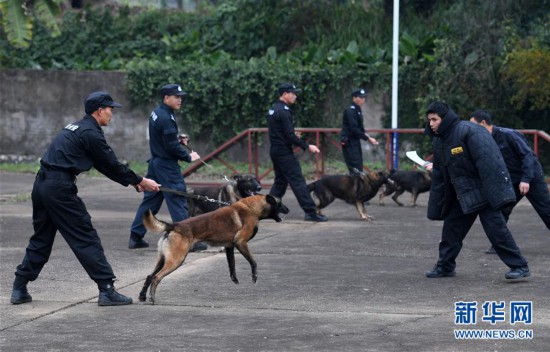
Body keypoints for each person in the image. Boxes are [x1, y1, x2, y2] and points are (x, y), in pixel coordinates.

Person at [11, 91, 161, 306]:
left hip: (42, 185)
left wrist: (135, 182)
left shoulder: (76, 128)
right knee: (85, 236)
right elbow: (110, 163)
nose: (112, 113)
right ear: (99, 111)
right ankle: (107, 290)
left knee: (41, 239)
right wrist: (141, 180)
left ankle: (19, 286)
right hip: (60, 189)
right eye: (110, 109)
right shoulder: (91, 133)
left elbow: (102, 164)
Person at [424, 101, 530, 280]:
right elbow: (441, 172)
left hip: (483, 192)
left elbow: (489, 163)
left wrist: (497, 194)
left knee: (497, 231)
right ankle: (445, 266)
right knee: (451, 231)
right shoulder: (439, 140)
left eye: (434, 119)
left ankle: (520, 266)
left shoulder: (469, 131)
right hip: (462, 194)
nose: (431, 124)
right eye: (429, 120)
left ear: (445, 118)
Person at [129, 84, 207, 251]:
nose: (180, 99)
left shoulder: (158, 113)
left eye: (180, 96)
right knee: (178, 200)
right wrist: (188, 156)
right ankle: (187, 240)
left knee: (150, 201)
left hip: (156, 163)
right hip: (166, 166)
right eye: (176, 96)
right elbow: (170, 145)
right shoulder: (166, 117)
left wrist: (178, 139)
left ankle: (135, 236)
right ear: (166, 98)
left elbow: (165, 139)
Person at [469, 110, 550, 254]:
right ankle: (501, 245)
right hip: (511, 180)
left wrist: (526, 179)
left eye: (473, 125)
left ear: (482, 123)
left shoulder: (509, 134)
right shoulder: (482, 141)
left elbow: (527, 156)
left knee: (546, 210)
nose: (471, 129)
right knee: (501, 211)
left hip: (531, 177)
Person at [267, 83, 327, 222]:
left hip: (275, 150)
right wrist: (307, 146)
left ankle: (267, 209)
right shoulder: (284, 111)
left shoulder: (274, 109)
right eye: (292, 93)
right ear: (284, 94)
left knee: (280, 182)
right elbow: (289, 135)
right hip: (284, 152)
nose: (295, 96)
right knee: (298, 182)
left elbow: (281, 132)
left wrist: (292, 135)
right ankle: (310, 212)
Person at [340, 88, 379, 174]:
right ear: (354, 98)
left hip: (355, 141)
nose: (363, 100)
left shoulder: (357, 109)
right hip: (349, 142)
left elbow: (361, 128)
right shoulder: (350, 110)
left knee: (358, 165)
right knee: (355, 168)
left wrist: (369, 138)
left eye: (364, 97)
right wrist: (367, 138)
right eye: (360, 97)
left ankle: (357, 186)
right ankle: (354, 186)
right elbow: (354, 129)